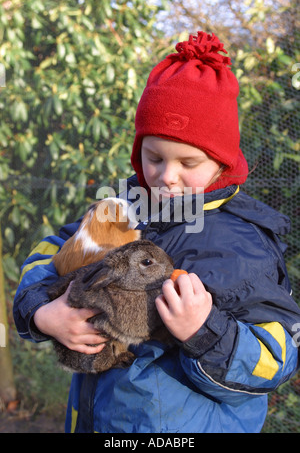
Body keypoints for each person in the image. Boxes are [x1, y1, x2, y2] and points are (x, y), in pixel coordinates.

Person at [13, 31, 300, 433]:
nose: (168, 176)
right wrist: (42, 314)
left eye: (188, 161)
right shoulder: (119, 207)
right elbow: (51, 251)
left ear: (221, 163)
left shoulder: (243, 244)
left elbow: (278, 358)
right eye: (154, 157)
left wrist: (205, 332)